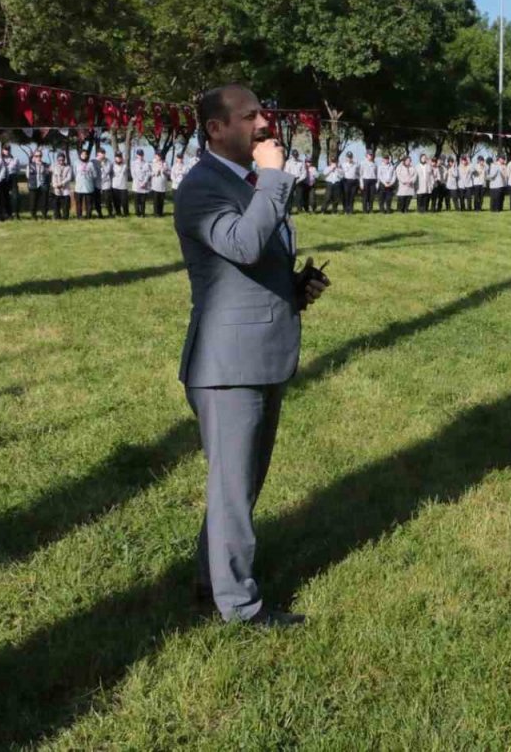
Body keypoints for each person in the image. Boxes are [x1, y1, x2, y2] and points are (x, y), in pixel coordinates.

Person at [174, 83, 328, 628]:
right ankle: (238, 606)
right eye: (250, 117)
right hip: (227, 365)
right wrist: (276, 177)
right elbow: (240, 243)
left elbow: (251, 265)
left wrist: (293, 287)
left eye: (263, 113)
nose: (264, 123)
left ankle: (208, 578)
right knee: (234, 491)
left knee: (240, 486)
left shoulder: (247, 182)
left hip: (259, 353)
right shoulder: (202, 187)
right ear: (216, 128)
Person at [26, 149, 50, 219]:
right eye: (36, 156)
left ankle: (44, 215)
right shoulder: (30, 165)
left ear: (41, 156)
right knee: (33, 202)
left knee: (44, 201)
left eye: (40, 156)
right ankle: (33, 216)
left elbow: (48, 175)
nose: (38, 157)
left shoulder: (46, 165)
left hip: (44, 185)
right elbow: (27, 176)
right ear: (34, 156)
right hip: (33, 185)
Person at [74, 148, 97, 219]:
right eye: (82, 154)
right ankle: (79, 216)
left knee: (89, 203)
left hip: (89, 187)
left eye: (85, 154)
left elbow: (94, 175)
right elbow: (75, 173)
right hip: (79, 187)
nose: (84, 155)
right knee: (78, 203)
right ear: (80, 155)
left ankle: (88, 216)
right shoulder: (76, 163)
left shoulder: (91, 164)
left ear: (87, 155)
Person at [51, 151, 73, 219]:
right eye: (59, 160)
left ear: (64, 159)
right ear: (57, 160)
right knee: (56, 204)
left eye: (62, 160)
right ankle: (57, 216)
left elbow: (69, 177)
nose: (61, 161)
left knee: (66, 204)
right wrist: (55, 185)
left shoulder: (68, 167)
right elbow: (53, 176)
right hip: (56, 188)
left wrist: (62, 183)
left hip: (65, 188)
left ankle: (65, 217)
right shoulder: (54, 167)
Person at [131, 148, 152, 217]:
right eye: (139, 155)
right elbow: (133, 174)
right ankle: (137, 213)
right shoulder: (133, 163)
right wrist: (139, 182)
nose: (140, 156)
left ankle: (143, 213)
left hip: (144, 185)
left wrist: (144, 182)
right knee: (137, 201)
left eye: (141, 155)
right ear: (137, 155)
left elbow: (148, 173)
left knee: (143, 201)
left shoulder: (146, 163)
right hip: (137, 185)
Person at [111, 151, 130, 216]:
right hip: (115, 186)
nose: (118, 158)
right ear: (115, 158)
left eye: (120, 157)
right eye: (117, 157)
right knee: (116, 202)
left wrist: (123, 162)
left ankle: (126, 213)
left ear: (122, 158)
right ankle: (118, 213)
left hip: (123, 186)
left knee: (124, 202)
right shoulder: (112, 165)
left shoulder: (125, 165)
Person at [151, 153, 169, 217]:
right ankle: (156, 213)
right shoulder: (153, 163)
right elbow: (152, 173)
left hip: (163, 185)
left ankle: (160, 213)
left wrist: (165, 171)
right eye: (157, 156)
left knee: (161, 200)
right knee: (156, 200)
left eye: (159, 156)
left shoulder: (165, 163)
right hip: (156, 184)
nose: (158, 157)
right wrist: (157, 170)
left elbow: (169, 172)